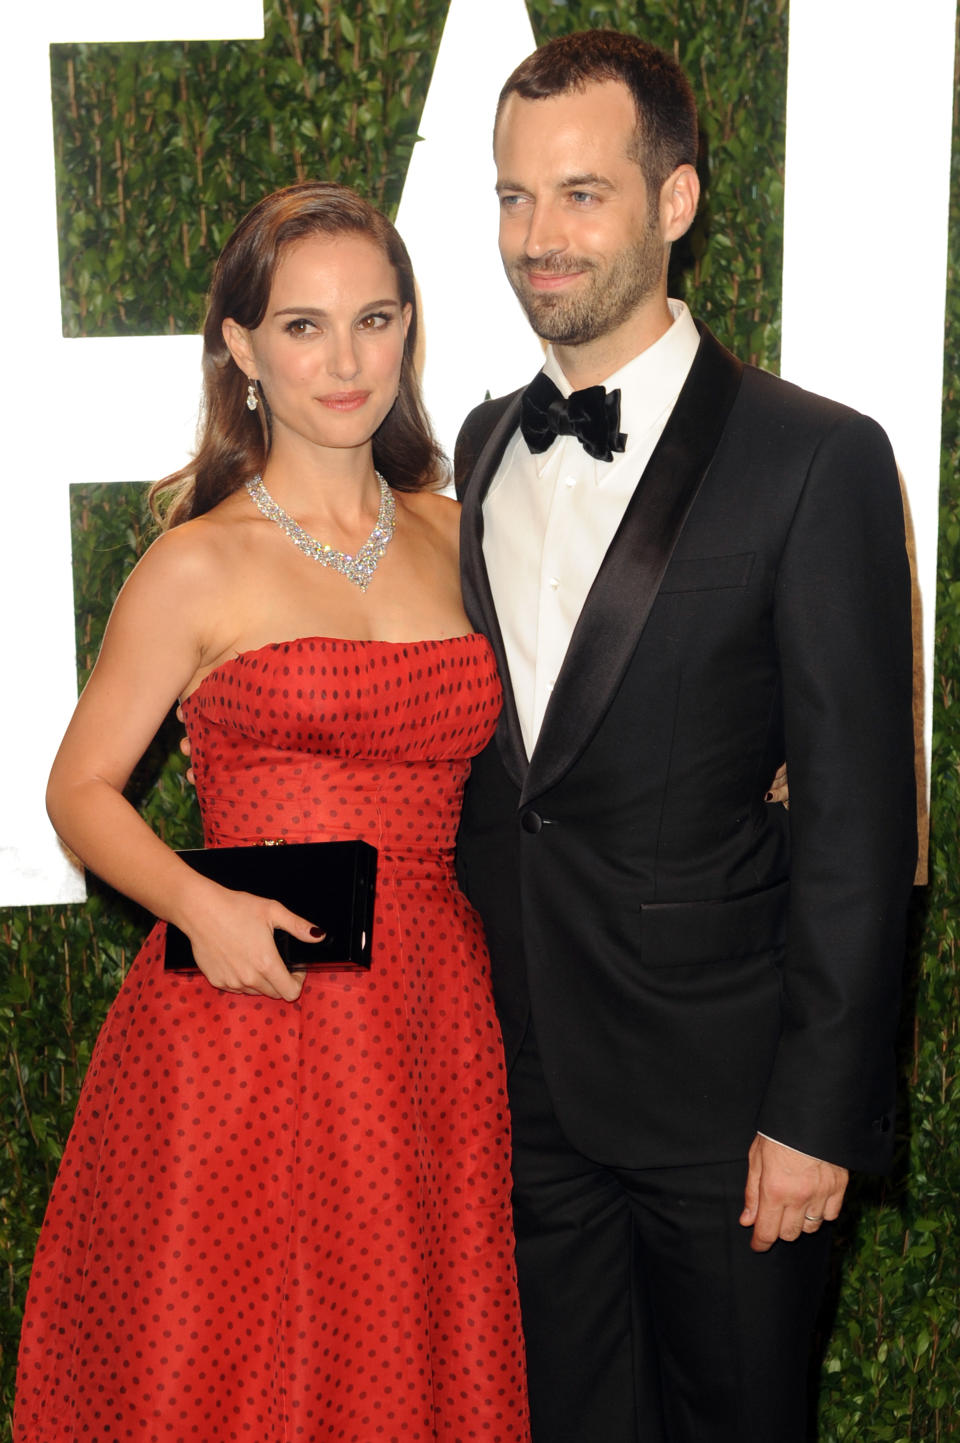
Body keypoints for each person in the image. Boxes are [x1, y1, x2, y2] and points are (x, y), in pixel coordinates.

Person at [453, 30, 917, 1443]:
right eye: (515, 196)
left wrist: (818, 1113)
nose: (541, 237)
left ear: (675, 203)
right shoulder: (477, 447)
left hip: (732, 1116)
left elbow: (858, 818)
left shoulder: (814, 458)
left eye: (582, 194)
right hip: (527, 1098)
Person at [15, 181, 529, 1443]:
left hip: (427, 1012)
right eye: (302, 327)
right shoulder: (197, 561)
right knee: (234, 1365)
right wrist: (202, 907)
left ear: (410, 332)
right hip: (248, 1006)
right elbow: (77, 791)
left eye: (374, 320)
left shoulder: (460, 538)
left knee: (406, 1356)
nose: (344, 362)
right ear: (242, 349)